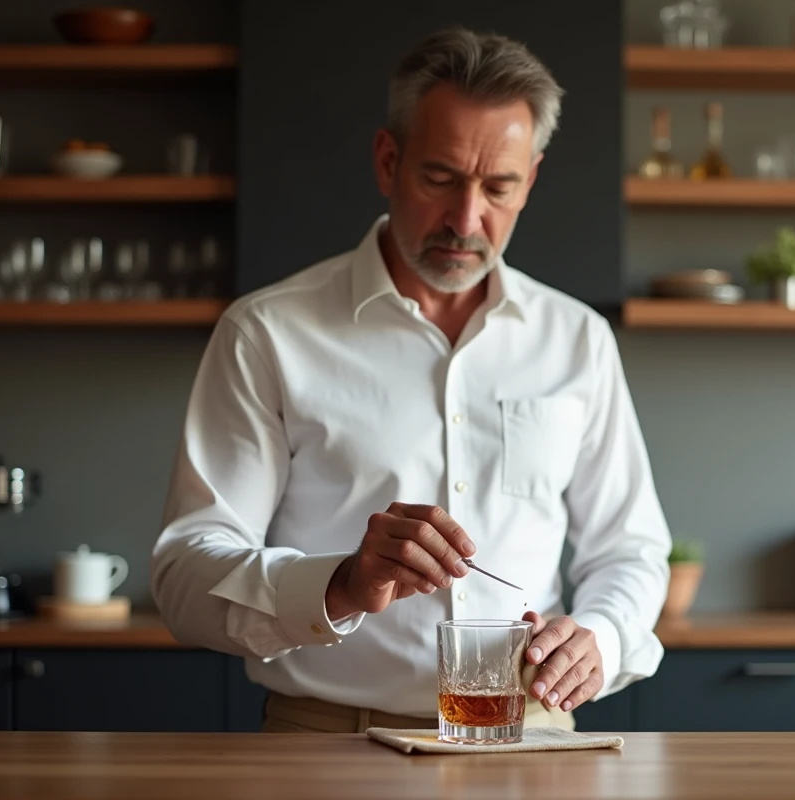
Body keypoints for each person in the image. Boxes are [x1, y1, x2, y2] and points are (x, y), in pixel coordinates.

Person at [150, 28, 672, 734]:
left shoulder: (578, 340)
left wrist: (601, 639)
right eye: (441, 178)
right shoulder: (266, 333)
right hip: (327, 747)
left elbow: (631, 552)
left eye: (498, 186)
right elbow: (185, 575)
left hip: (532, 740)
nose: (466, 219)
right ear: (388, 160)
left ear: (532, 181)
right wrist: (341, 584)